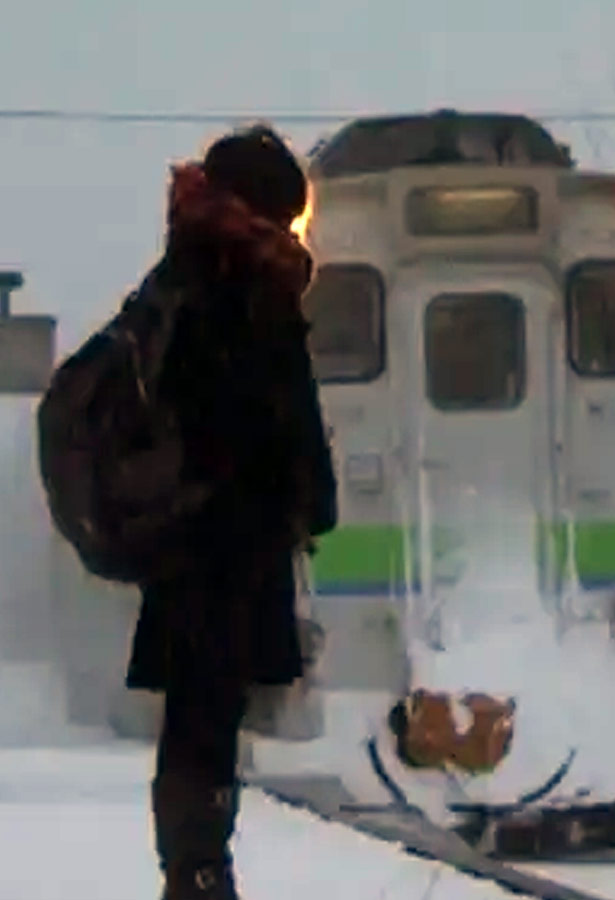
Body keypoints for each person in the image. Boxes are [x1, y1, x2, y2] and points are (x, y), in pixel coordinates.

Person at [122, 124, 337, 899]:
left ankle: (196, 870)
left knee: (199, 718)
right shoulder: (238, 281)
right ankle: (201, 875)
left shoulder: (182, 274)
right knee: (208, 716)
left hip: (192, 544)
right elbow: (268, 410)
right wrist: (308, 496)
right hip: (224, 543)